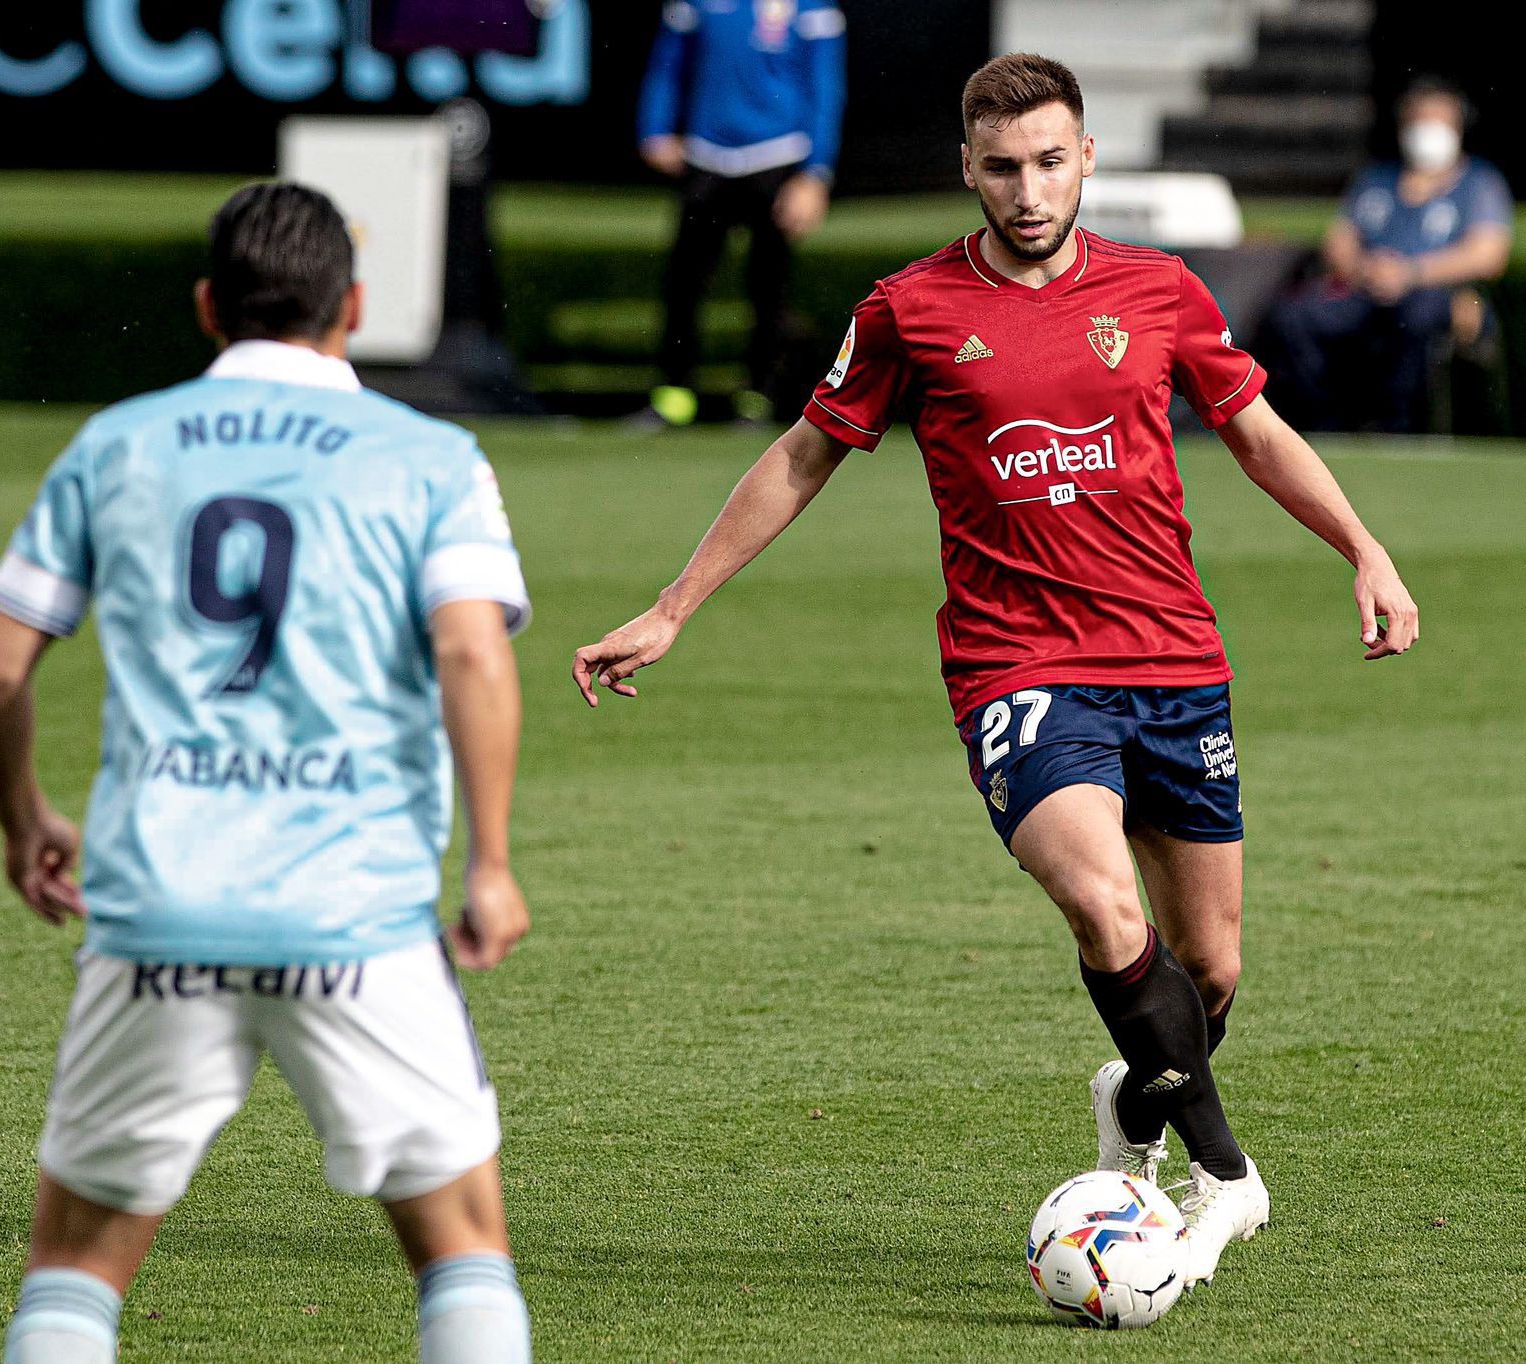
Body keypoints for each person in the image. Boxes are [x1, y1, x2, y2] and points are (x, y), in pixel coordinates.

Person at [572, 53, 1419, 1286]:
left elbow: (1252, 429)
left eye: (1048, 161)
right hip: (1015, 666)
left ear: (1084, 159)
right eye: (1000, 166)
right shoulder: (908, 308)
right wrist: (671, 606)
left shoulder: (1160, 289)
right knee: (1101, 907)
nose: (1026, 191)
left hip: (1173, 659)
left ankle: (1134, 1101)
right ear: (965, 168)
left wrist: (1363, 546)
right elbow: (804, 457)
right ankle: (1226, 1178)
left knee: (1211, 968)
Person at [0, 184, 535, 1364]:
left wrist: (24, 822)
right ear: (355, 307)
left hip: (156, 912)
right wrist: (488, 861)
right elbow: (472, 646)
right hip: (358, 914)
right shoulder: (430, 455)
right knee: (460, 1247)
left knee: (73, 1269)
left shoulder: (117, 441)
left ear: (208, 305)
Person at [635, 0, 847, 428]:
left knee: (768, 286)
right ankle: (674, 396)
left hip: (778, 156)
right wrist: (654, 128)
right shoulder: (697, 3)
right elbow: (667, 63)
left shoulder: (811, 7)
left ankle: (759, 397)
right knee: (684, 282)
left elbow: (825, 86)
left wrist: (815, 173)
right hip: (707, 154)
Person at [1265, 76, 1513, 433]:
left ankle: (1401, 425)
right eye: (1420, 120)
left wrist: (1410, 273)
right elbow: (1339, 240)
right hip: (1367, 289)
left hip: (1437, 294)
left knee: (1419, 316)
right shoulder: (1376, 179)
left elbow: (1487, 255)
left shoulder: (1479, 183)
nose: (1428, 131)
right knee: (1296, 317)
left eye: (1439, 121)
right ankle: (1323, 423)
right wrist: (1365, 270)